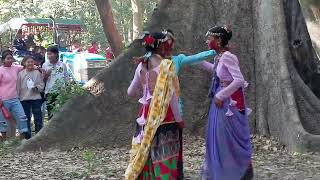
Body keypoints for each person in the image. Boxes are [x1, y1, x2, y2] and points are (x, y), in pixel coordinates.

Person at [125, 31, 216, 180]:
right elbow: (172, 97)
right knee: (165, 154)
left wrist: (144, 90)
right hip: (165, 116)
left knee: (146, 150)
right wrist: (179, 120)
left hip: (145, 115)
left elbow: (130, 92)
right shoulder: (166, 65)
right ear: (161, 46)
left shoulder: (141, 65)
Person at [200, 26, 253, 180]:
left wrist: (221, 95)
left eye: (209, 38)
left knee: (227, 138)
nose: (207, 41)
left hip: (229, 104)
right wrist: (198, 61)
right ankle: (221, 171)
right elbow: (218, 72)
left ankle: (235, 172)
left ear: (219, 40)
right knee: (219, 137)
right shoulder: (219, 57)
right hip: (220, 103)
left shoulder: (228, 56)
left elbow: (239, 80)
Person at [0, 50, 29, 140]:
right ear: (3, 60)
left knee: (22, 117)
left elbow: (27, 66)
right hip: (3, 100)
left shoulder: (15, 68)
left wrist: (38, 68)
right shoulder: (0, 70)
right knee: (3, 121)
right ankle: (4, 140)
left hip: (15, 98)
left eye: (11, 58)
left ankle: (22, 139)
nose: (10, 60)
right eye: (8, 58)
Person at [17, 56, 44, 136]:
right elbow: (18, 87)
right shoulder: (21, 74)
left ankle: (39, 134)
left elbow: (41, 84)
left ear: (34, 63)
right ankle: (27, 136)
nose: (30, 63)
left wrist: (37, 88)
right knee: (26, 118)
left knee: (38, 117)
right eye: (28, 62)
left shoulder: (37, 73)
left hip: (36, 98)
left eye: (32, 62)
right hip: (24, 99)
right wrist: (18, 97)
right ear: (24, 63)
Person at [42, 46, 68, 119]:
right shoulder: (45, 65)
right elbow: (43, 80)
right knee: (51, 112)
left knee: (62, 112)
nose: (49, 56)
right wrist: (46, 75)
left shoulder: (62, 65)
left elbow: (66, 78)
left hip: (61, 91)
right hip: (50, 91)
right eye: (48, 54)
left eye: (50, 54)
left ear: (56, 54)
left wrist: (67, 89)